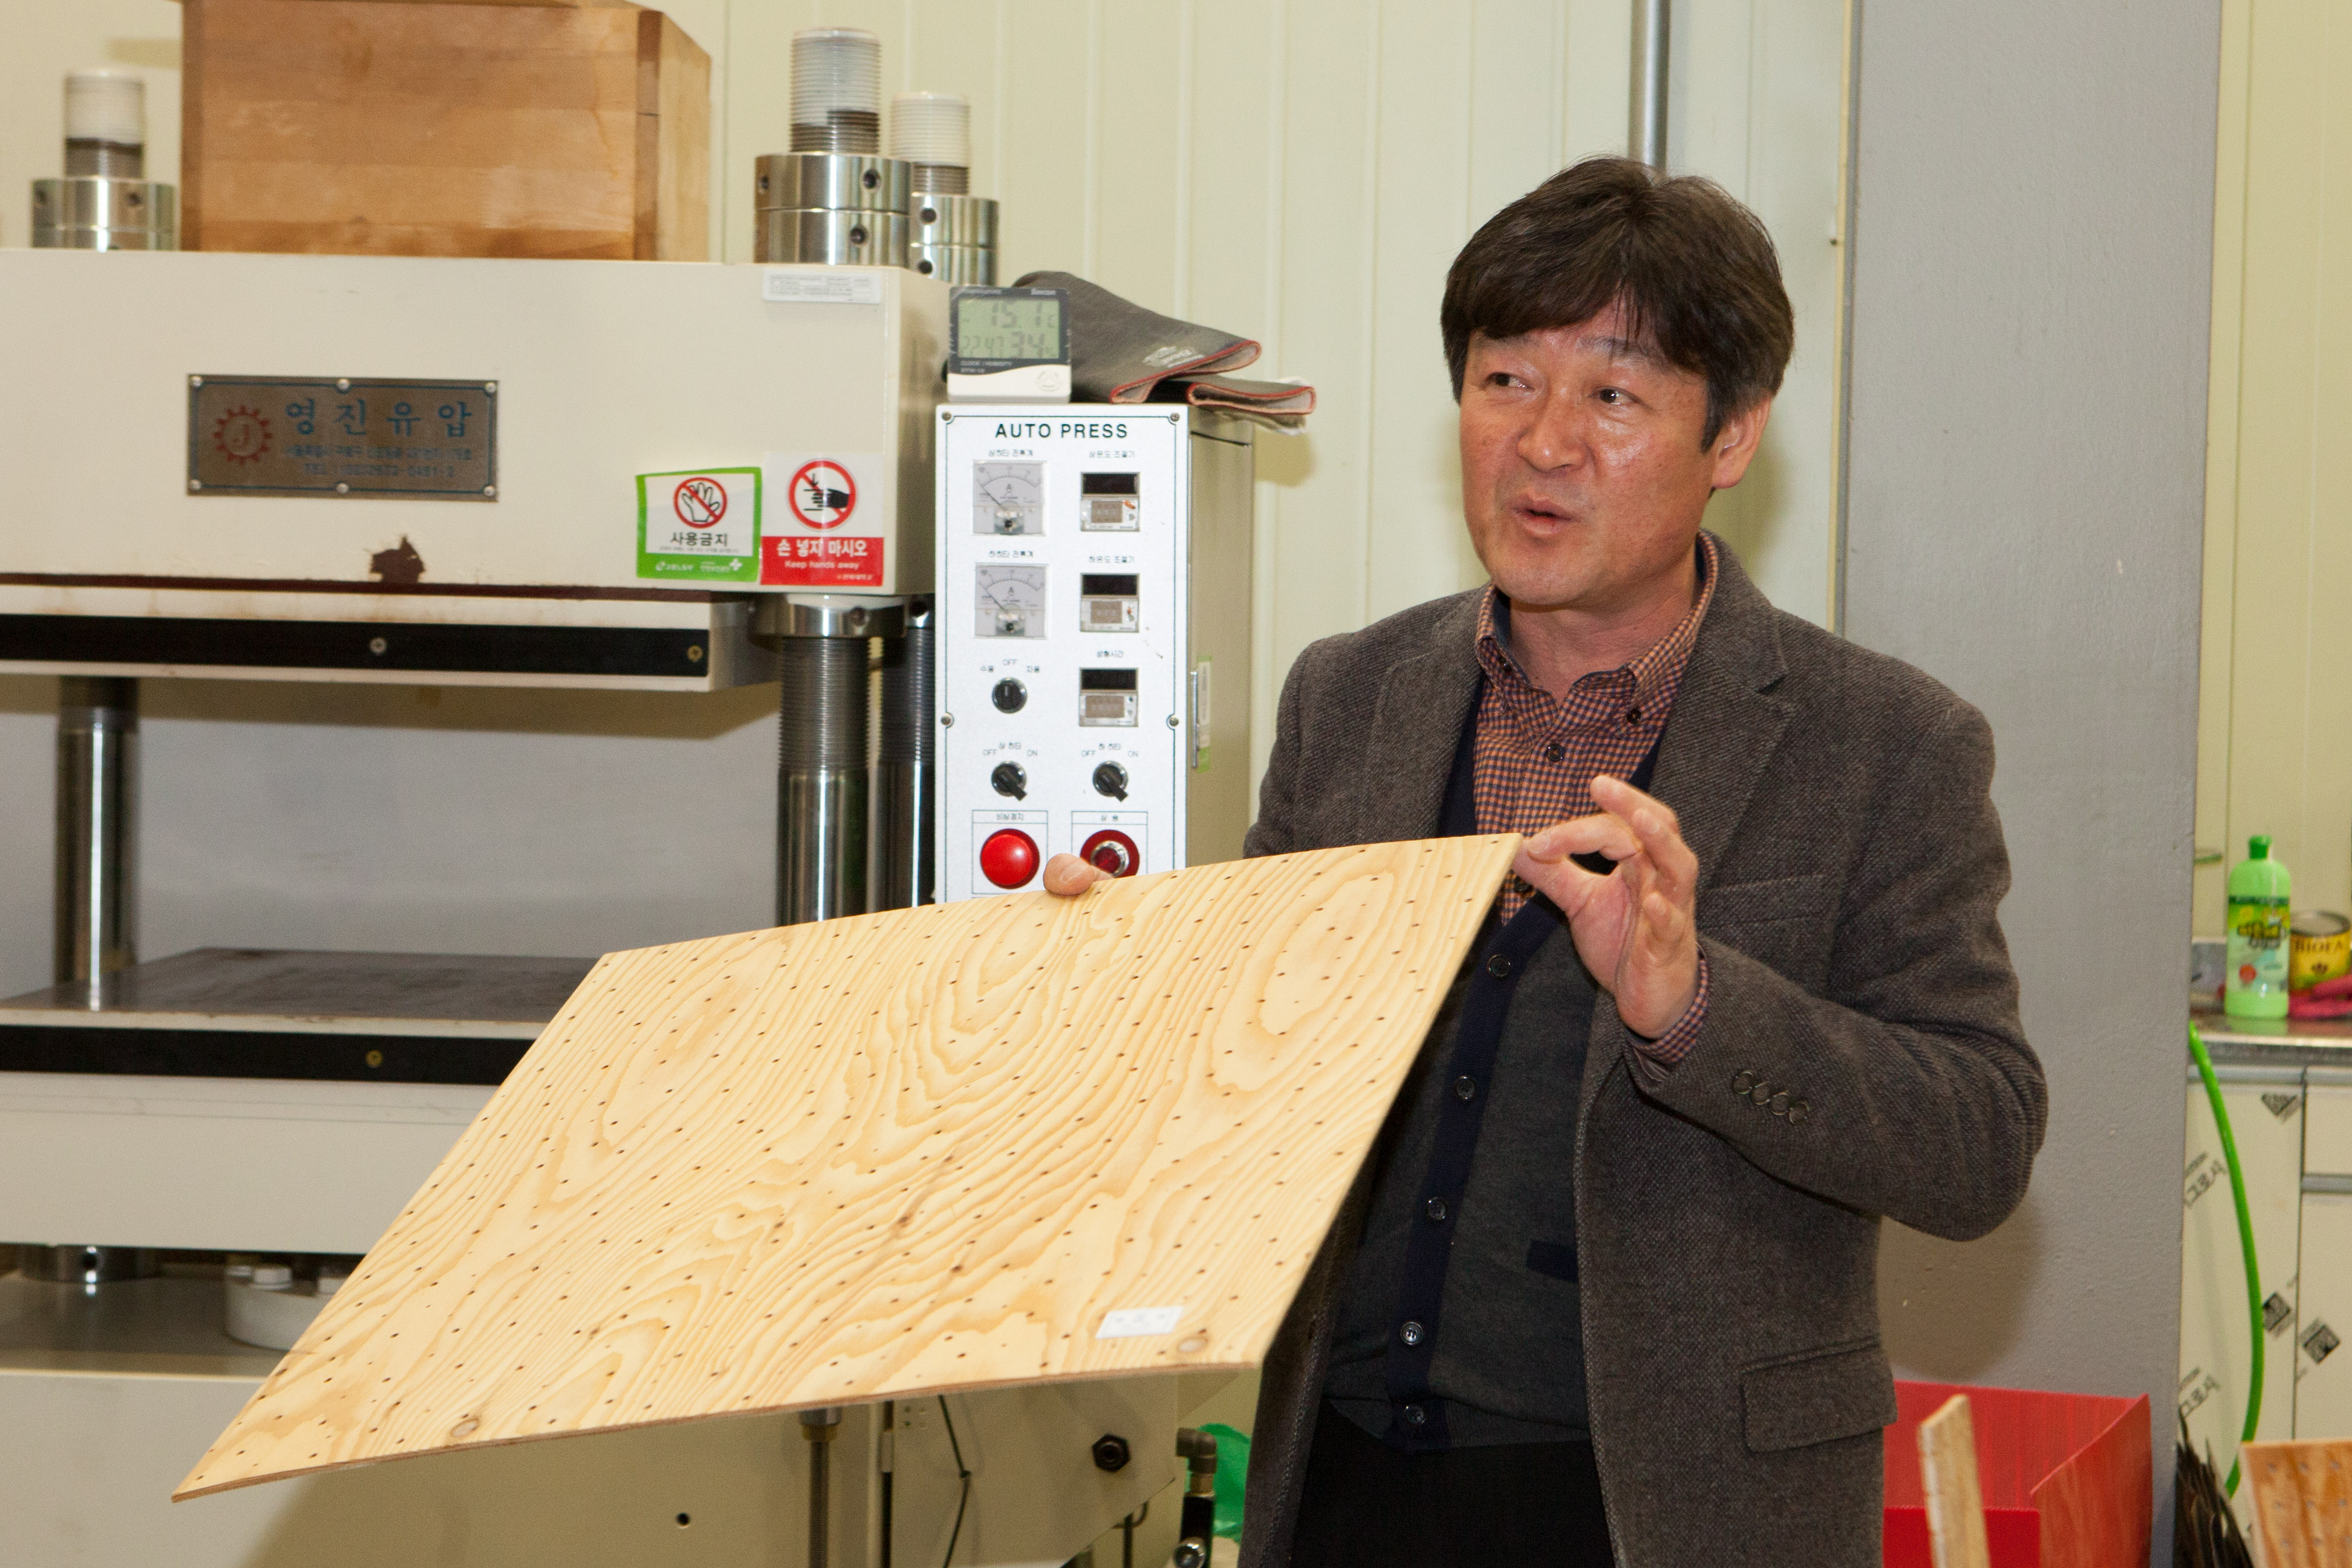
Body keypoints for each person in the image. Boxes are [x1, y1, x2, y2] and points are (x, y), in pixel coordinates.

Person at [1041, 156, 2045, 1568]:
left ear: (1734, 435)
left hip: (1670, 1509)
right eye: (1504, 380)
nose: (1544, 442)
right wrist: (1136, 981)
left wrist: (1696, 1009)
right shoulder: (1352, 695)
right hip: (1342, 1483)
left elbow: (1978, 1140)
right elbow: (1261, 1073)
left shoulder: (1884, 741)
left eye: (1614, 397)